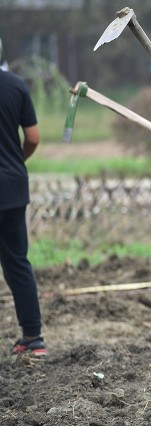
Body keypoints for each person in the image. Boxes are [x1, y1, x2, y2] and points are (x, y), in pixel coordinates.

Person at [0, 36, 47, 357]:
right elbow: (33, 137)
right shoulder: (16, 86)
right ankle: (33, 338)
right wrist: (15, 161)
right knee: (17, 262)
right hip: (12, 186)